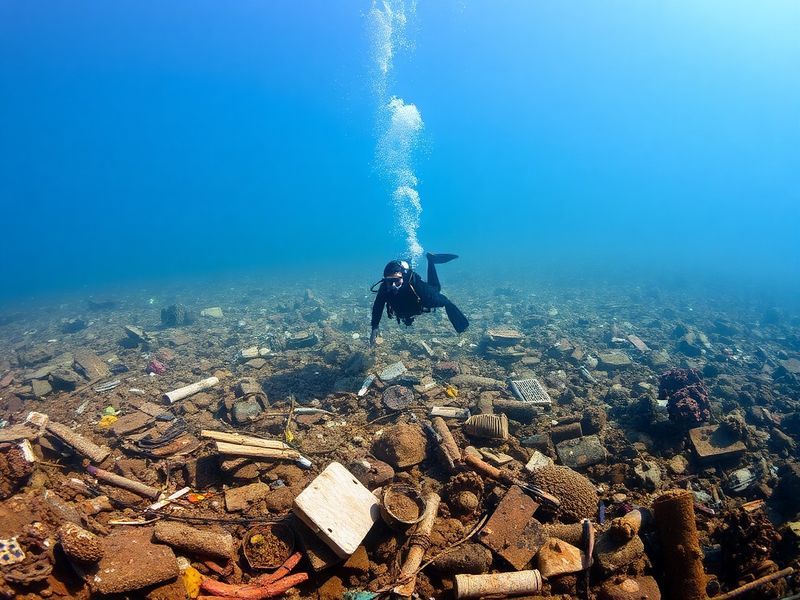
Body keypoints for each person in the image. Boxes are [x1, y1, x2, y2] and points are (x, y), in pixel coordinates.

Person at [370, 252, 469, 346]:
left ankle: (431, 260)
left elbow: (446, 302)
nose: (393, 285)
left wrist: (461, 325)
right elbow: (378, 306)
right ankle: (429, 260)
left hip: (424, 295)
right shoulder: (384, 287)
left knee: (436, 288)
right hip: (408, 309)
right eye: (389, 281)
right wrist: (375, 327)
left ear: (403, 278)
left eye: (396, 281)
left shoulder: (417, 288)